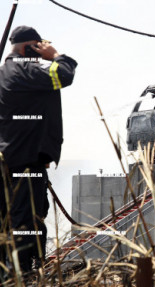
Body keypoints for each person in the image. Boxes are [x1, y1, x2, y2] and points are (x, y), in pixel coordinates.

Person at [0, 25, 77, 275]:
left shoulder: (5, 72)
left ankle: (23, 269)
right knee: (27, 219)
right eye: (38, 46)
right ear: (28, 47)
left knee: (20, 217)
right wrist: (56, 56)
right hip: (25, 160)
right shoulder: (25, 69)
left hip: (14, 158)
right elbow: (63, 75)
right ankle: (21, 275)